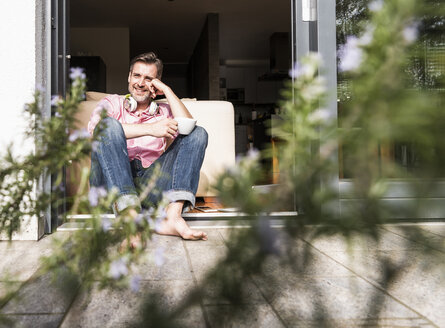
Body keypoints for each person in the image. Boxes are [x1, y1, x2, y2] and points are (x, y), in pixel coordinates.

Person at [88, 52, 208, 241]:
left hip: (149, 185)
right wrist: (151, 129)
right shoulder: (112, 102)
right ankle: (129, 218)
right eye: (136, 76)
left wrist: (167, 91)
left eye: (148, 78)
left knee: (197, 133)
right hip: (110, 184)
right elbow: (98, 130)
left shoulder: (165, 112)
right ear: (129, 77)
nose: (141, 83)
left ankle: (173, 217)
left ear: (156, 82)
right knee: (108, 125)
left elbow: (188, 127)